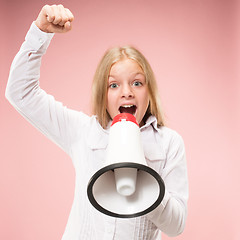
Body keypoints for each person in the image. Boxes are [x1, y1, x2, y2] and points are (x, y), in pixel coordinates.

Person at [6, 4, 189, 240]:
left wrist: (145, 177)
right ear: (102, 95)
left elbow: (177, 226)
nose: (126, 93)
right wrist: (41, 32)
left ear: (150, 91)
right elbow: (20, 93)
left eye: (137, 83)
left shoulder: (169, 143)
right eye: (113, 85)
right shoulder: (82, 131)